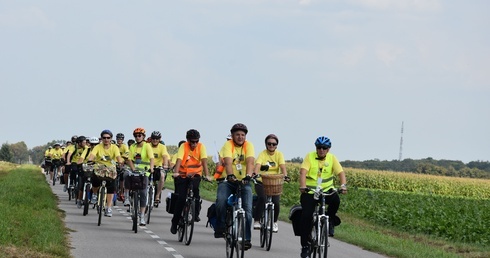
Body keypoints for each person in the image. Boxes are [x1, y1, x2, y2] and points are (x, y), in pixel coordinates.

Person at [298, 136, 347, 258]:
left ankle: (329, 221)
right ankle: (305, 246)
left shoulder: (332, 158)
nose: (321, 150)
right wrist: (303, 186)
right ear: (316, 148)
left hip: (326, 191)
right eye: (319, 147)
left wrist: (343, 185)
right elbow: (303, 172)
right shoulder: (309, 156)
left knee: (336, 199)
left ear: (328, 149)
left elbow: (340, 173)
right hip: (310, 192)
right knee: (306, 217)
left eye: (324, 148)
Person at [214, 123, 255, 251]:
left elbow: (250, 161)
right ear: (232, 136)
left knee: (248, 210)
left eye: (243, 135)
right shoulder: (228, 145)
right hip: (228, 180)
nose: (240, 137)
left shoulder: (249, 146)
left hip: (244, 182)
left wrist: (248, 175)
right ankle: (220, 226)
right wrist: (230, 175)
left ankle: (247, 239)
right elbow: (227, 161)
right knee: (221, 201)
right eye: (237, 134)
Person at [170, 129, 211, 234]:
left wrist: (207, 175)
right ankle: (175, 222)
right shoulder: (184, 146)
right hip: (182, 174)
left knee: (196, 193)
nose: (194, 144)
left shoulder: (201, 147)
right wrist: (176, 173)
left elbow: (204, 162)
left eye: (196, 141)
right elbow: (179, 160)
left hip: (196, 174)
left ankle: (195, 214)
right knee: (181, 198)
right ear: (188, 140)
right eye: (192, 141)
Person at [253, 134, 289, 233]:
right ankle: (257, 220)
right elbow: (257, 165)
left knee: (276, 202)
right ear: (266, 144)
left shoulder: (279, 155)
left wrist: (285, 175)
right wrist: (255, 174)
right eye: (269, 144)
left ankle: (274, 222)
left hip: (275, 183)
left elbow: (282, 167)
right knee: (262, 198)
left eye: (274, 144)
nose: (271, 146)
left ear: (277, 145)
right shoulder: (262, 154)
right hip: (262, 182)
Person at [86, 130, 124, 218]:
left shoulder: (114, 147)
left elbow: (118, 157)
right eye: (104, 138)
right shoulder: (98, 147)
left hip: (111, 168)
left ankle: (109, 208)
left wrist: (120, 163)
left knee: (111, 186)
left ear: (111, 138)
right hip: (99, 167)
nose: (106, 139)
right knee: (94, 179)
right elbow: (92, 155)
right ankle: (94, 194)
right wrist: (90, 161)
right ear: (101, 138)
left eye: (108, 138)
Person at [126, 127, 155, 226]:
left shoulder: (147, 146)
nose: (137, 137)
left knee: (143, 193)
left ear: (143, 137)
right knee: (127, 179)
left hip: (144, 172)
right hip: (134, 171)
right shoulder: (133, 146)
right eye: (136, 136)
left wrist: (151, 168)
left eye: (139, 136)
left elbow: (151, 158)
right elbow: (129, 159)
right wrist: (132, 168)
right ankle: (129, 201)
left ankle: (142, 215)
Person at [148, 131, 170, 206]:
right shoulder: (147, 145)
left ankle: (157, 195)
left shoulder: (162, 147)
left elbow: (165, 156)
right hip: (148, 166)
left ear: (159, 139)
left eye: (157, 139)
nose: (155, 140)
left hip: (158, 167)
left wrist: (166, 165)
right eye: (153, 138)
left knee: (162, 176)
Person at [65, 136, 89, 208]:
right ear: (79, 143)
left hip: (84, 164)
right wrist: (68, 162)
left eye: (85, 142)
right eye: (83, 142)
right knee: (73, 171)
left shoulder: (86, 148)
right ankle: (71, 182)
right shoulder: (73, 147)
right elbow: (69, 155)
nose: (85, 143)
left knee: (83, 177)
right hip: (74, 163)